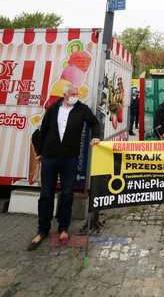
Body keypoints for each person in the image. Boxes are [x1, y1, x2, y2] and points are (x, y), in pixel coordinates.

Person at [27, 84, 100, 251]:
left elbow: (94, 123)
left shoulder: (82, 109)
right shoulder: (53, 108)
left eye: (77, 93)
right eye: (73, 94)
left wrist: (95, 136)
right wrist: (39, 152)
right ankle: (42, 230)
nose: (76, 96)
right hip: (50, 158)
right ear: (65, 95)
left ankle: (63, 228)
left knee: (67, 193)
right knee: (46, 194)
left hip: (70, 158)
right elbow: (42, 130)